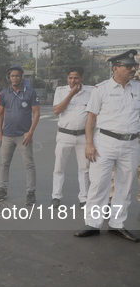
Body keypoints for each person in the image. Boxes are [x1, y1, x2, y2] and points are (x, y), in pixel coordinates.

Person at [75, 49, 140, 242]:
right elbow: (91, 118)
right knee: (99, 184)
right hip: (105, 143)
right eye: (128, 66)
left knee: (124, 186)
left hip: (131, 144)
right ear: (115, 69)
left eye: (134, 65)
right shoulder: (101, 89)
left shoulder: (138, 88)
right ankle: (93, 224)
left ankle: (117, 224)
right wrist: (89, 144)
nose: (133, 69)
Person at [0, 65, 40, 205]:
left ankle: (30, 193)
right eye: (12, 76)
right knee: (4, 163)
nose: (15, 78)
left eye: (17, 75)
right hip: (8, 134)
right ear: (9, 78)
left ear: (22, 78)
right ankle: (2, 189)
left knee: (29, 164)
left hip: (23, 136)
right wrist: (0, 132)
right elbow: (0, 113)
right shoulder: (4, 93)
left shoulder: (30, 92)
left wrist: (30, 132)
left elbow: (36, 113)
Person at [51, 66, 93, 208]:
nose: (73, 81)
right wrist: (71, 94)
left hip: (83, 136)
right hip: (64, 135)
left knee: (84, 168)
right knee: (59, 167)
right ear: (67, 78)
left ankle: (84, 198)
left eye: (76, 78)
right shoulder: (61, 91)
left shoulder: (91, 91)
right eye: (70, 78)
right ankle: (56, 196)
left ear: (81, 78)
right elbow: (57, 110)